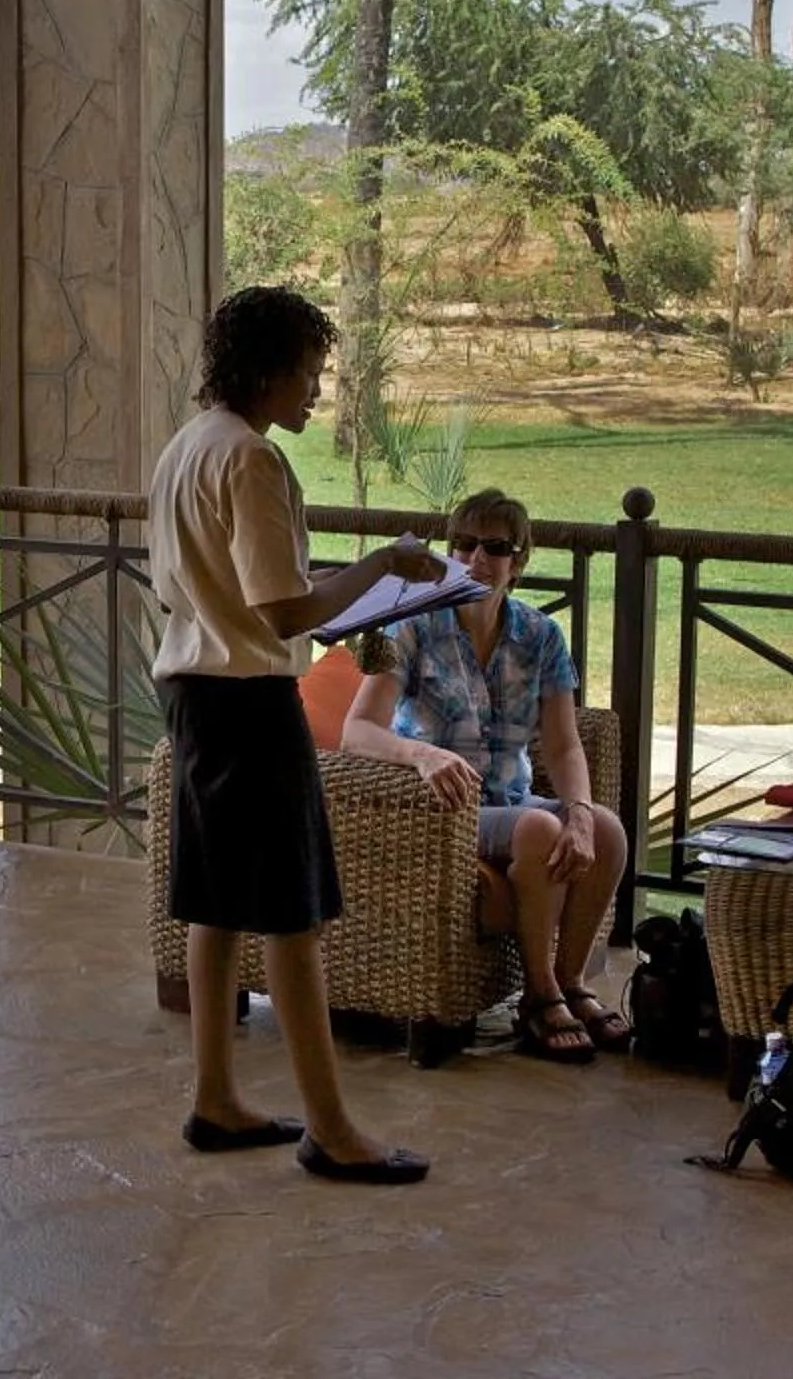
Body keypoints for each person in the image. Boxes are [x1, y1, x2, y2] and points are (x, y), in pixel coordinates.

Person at [150, 284, 448, 1185]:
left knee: (218, 907)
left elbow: (248, 585)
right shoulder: (252, 460)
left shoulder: (188, 445)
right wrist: (389, 565)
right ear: (272, 370)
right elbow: (282, 610)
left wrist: (348, 592)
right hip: (248, 706)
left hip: (195, 696)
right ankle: (333, 1129)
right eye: (312, 373)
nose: (318, 391)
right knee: (293, 919)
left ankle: (216, 1097)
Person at [338, 487, 634, 1064]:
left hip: (509, 799)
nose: (475, 559)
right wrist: (421, 756)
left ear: (518, 562)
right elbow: (358, 731)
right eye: (464, 544)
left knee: (607, 832)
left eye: (494, 547)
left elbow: (564, 742)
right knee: (535, 830)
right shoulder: (413, 627)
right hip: (439, 808)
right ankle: (538, 995)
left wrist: (576, 812)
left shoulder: (540, 635)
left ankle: (571, 984)